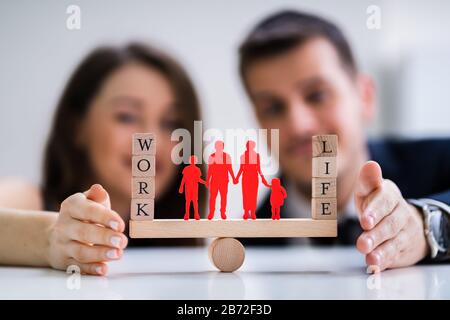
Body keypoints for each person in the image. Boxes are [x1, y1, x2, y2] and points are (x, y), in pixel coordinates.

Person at [238, 10, 450, 270]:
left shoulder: (441, 163)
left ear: (365, 97)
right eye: (273, 108)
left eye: (317, 95)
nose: (298, 125)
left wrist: (428, 225)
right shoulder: (247, 243)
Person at [0, 43, 205, 275]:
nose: (152, 141)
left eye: (171, 123)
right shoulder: (28, 199)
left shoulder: (176, 245)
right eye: (127, 117)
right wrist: (50, 239)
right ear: (77, 127)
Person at [234, 140, 268, 220]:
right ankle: (246, 212)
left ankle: (252, 212)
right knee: (246, 195)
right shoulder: (243, 156)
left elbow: (258, 168)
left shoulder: (256, 156)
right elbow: (242, 168)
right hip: (246, 177)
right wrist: (237, 178)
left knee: (253, 195)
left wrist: (262, 178)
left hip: (254, 177)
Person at [206, 140, 236, 220]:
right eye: (217, 146)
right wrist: (207, 181)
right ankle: (211, 212)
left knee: (223, 197)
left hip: (224, 180)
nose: (219, 147)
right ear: (215, 147)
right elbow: (210, 170)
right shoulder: (212, 156)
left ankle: (223, 212)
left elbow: (230, 168)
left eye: (220, 146)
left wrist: (233, 178)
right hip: (214, 180)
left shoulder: (227, 156)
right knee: (213, 197)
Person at [179, 155, 206, 220]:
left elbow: (198, 179)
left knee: (194, 201)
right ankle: (187, 214)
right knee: (188, 202)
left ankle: (196, 214)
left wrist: (205, 183)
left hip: (194, 188)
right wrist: (181, 187)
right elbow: (184, 178)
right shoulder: (186, 169)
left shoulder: (197, 170)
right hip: (188, 188)